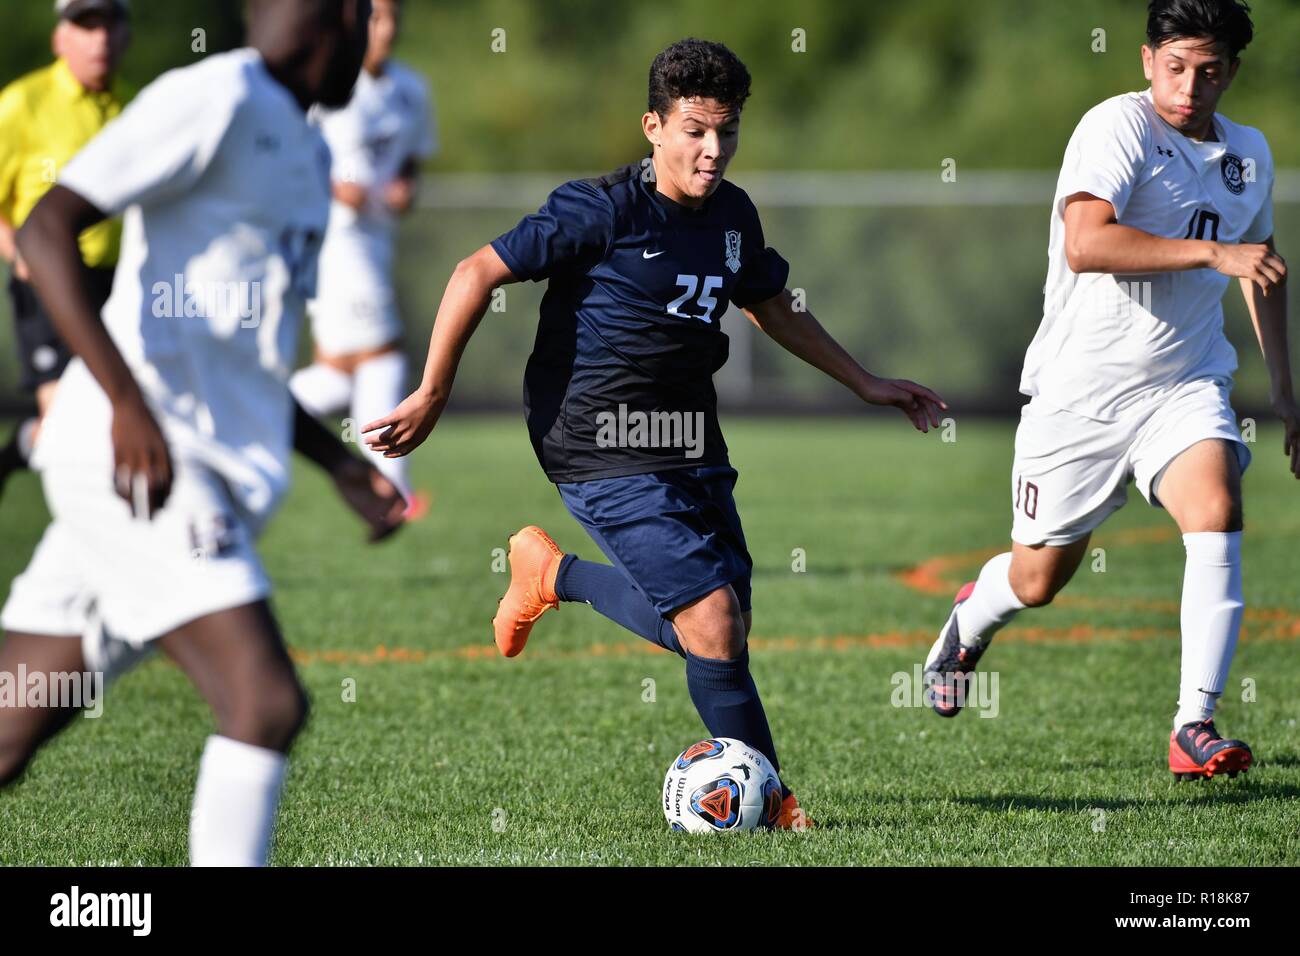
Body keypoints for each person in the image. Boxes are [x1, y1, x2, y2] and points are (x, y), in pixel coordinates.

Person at [364, 38, 946, 830]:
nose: (713, 151)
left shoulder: (733, 215)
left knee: (722, 629)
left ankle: (553, 575)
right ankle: (774, 805)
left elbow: (770, 302)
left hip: (687, 433)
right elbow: (476, 272)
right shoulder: (600, 208)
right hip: (593, 434)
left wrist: (866, 382)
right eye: (696, 131)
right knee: (710, 620)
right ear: (653, 126)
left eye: (728, 132)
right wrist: (433, 390)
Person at [0, 0, 378, 866]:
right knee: (264, 702)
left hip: (174, 468)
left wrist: (336, 464)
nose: (375, 32)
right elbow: (45, 227)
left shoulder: (308, 147)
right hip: (143, 463)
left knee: (9, 729)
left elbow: (247, 361)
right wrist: (127, 406)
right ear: (338, 17)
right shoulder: (216, 93)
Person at [920, 0, 1295, 782]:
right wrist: (1210, 256)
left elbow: (1261, 269)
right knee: (1036, 579)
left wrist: (1288, 395)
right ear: (1146, 59)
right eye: (1176, 65)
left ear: (1232, 70)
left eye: (1211, 69)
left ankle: (1194, 723)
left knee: (1217, 506)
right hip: (1079, 395)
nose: (1191, 85)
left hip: (1184, 384)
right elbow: (1088, 243)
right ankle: (969, 619)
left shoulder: (1249, 154)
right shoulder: (1115, 128)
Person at [291, 0, 436, 519]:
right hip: (333, 243)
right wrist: (331, 189)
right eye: (376, 16)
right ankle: (391, 489)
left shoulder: (410, 90)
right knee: (382, 352)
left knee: (339, 377)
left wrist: (405, 190)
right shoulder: (324, 85)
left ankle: (247, 412)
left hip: (377, 240)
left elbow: (412, 164)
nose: (387, 28)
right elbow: (289, 156)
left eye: (395, 16)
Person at [0, 0, 132, 500]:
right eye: (85, 24)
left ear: (126, 36)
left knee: (112, 410)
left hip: (118, 283)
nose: (99, 38)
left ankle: (16, 452)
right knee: (64, 422)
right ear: (60, 38)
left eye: (110, 24)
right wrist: (19, 250)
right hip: (49, 283)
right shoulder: (23, 103)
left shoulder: (136, 108)